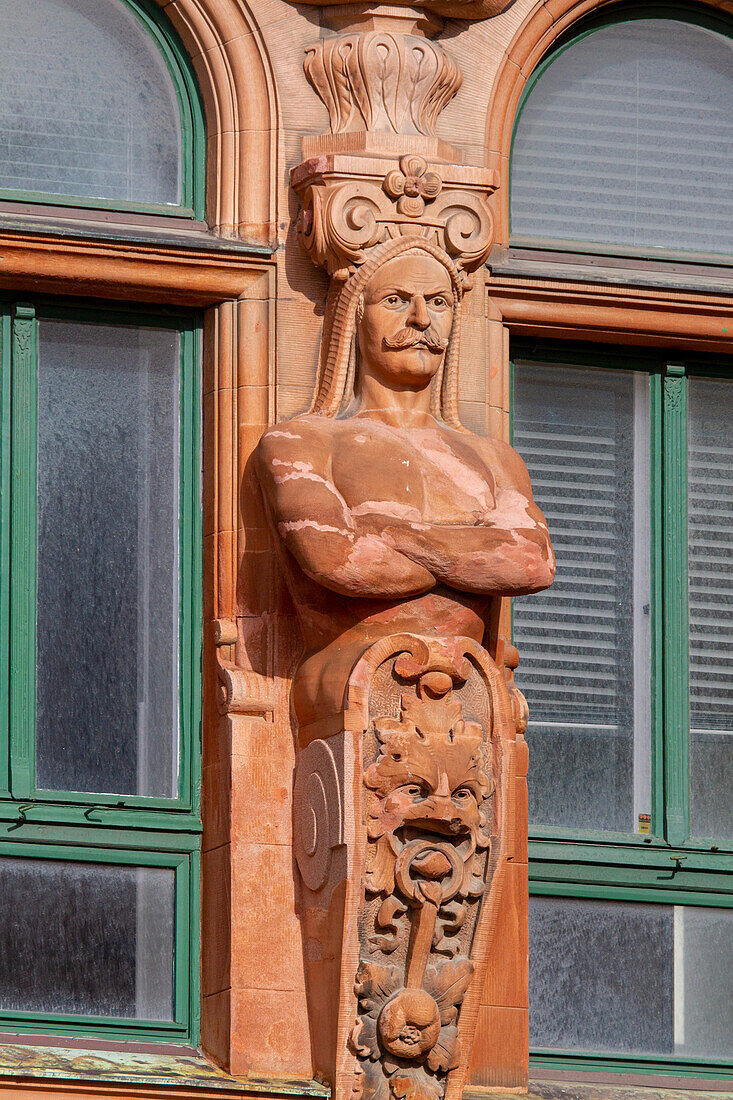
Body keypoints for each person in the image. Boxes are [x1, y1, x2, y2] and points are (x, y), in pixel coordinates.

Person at [255, 237, 554, 723]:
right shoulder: (302, 443)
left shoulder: (496, 459)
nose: (421, 319)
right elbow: (338, 560)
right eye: (396, 300)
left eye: (437, 302)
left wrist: (388, 532)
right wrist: (476, 544)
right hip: (349, 697)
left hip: (471, 700)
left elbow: (531, 563)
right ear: (355, 314)